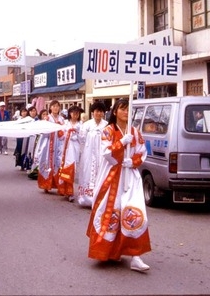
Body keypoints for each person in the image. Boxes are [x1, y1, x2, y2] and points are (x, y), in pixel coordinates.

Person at [86, 98, 151, 272]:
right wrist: (121, 143)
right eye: (122, 109)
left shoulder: (135, 132)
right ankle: (106, 250)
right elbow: (106, 153)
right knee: (110, 213)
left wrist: (133, 161)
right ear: (115, 111)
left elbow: (142, 152)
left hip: (130, 177)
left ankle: (136, 256)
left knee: (134, 213)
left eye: (128, 109)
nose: (125, 112)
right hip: (112, 177)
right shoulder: (108, 131)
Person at [77, 102, 108, 208]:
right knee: (88, 172)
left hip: (102, 154)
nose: (99, 114)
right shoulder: (86, 125)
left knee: (101, 173)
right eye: (97, 111)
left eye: (101, 111)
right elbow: (82, 140)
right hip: (88, 154)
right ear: (92, 112)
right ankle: (86, 198)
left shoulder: (106, 125)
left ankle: (100, 199)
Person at [35, 100, 65, 192]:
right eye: (54, 106)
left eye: (57, 106)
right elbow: (43, 132)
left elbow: (64, 132)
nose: (56, 108)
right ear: (50, 108)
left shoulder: (62, 119)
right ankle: (46, 184)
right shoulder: (47, 118)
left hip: (59, 144)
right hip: (48, 143)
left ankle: (58, 184)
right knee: (47, 162)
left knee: (58, 163)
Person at [58, 105, 83, 202]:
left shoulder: (80, 125)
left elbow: (82, 139)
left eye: (77, 113)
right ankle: (67, 191)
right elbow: (60, 136)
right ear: (69, 114)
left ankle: (70, 191)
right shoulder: (65, 124)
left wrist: (76, 135)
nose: (75, 115)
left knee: (72, 170)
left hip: (75, 149)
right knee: (65, 169)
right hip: (66, 149)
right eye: (73, 113)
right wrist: (64, 133)